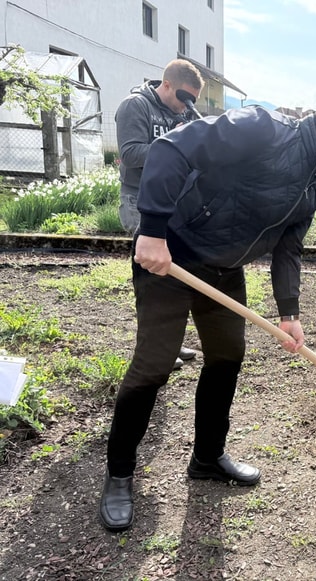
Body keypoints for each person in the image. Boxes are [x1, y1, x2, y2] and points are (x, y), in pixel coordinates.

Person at [99, 93, 316, 532]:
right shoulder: (261, 129)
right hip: (172, 256)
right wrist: (152, 230)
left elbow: (289, 247)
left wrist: (290, 312)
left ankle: (207, 457)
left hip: (224, 271)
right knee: (153, 365)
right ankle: (119, 475)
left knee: (227, 357)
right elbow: (169, 149)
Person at [115, 59, 204, 369]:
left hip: (170, 202)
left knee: (171, 275)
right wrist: (171, 142)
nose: (188, 106)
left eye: (193, 100)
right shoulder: (135, 106)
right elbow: (129, 154)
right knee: (152, 277)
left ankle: (170, 343)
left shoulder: (181, 111)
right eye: (184, 97)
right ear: (166, 85)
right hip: (138, 200)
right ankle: (156, 351)